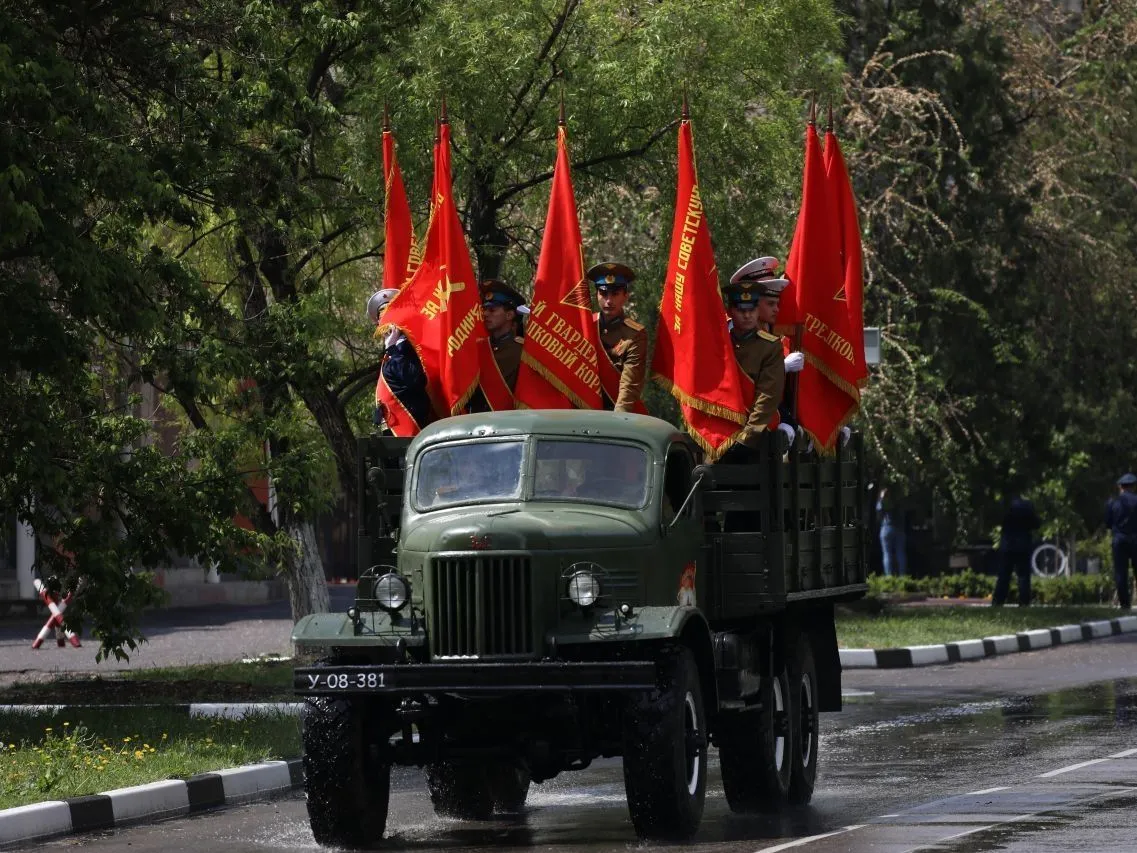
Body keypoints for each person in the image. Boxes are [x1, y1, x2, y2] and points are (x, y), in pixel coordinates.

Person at [720, 257, 797, 457]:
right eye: (769, 302)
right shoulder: (722, 335)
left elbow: (768, 397)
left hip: (759, 430)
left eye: (751, 308)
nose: (776, 309)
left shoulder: (771, 341)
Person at [367, 288, 432, 432]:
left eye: (389, 315)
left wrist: (392, 349)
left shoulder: (411, 346)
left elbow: (414, 380)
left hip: (412, 427)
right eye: (381, 318)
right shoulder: (390, 351)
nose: (385, 322)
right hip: (393, 429)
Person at [587, 262, 647, 413]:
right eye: (604, 293)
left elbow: (630, 384)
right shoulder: (586, 325)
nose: (609, 301)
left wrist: (618, 420)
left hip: (614, 411)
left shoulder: (635, 335)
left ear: (625, 296)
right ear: (597, 295)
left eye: (615, 294)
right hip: (583, 406)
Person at [469, 279, 526, 413]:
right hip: (474, 423)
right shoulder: (478, 348)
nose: (485, 314)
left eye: (492, 310)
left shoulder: (522, 351)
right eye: (484, 309)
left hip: (508, 425)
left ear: (509, 315)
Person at [992, 493, 1041, 607]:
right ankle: (1024, 602)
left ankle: (998, 601)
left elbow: (998, 519)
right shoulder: (1027, 505)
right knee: (1023, 576)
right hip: (1023, 545)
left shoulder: (1005, 504)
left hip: (1007, 545)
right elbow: (1036, 523)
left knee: (1004, 575)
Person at [1106, 472, 1137, 609]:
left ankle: (1125, 604)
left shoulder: (1113, 502)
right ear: (1133, 487)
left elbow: (1108, 523)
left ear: (1121, 487)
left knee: (1120, 572)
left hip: (1119, 540)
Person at [876, 485, 908, 577]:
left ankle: (889, 577)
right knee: (900, 552)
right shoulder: (899, 499)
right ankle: (903, 576)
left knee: (887, 553)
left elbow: (879, 512)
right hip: (899, 527)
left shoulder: (882, 500)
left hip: (886, 526)